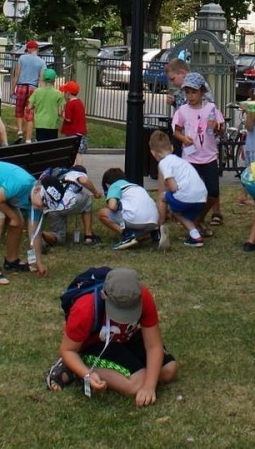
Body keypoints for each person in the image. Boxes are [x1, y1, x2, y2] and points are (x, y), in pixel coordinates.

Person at [48, 268, 179, 406]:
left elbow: (153, 345)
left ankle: (133, 371)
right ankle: (77, 368)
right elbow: (67, 350)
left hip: (127, 338)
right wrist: (87, 374)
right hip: (97, 343)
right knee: (136, 385)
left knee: (169, 370)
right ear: (104, 296)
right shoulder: (85, 309)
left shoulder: (143, 296)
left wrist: (149, 386)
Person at [171, 72, 225, 228]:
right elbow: (177, 130)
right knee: (192, 192)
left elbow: (220, 130)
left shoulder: (211, 108)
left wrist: (217, 128)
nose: (190, 96)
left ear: (202, 92)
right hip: (190, 158)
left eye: (194, 92)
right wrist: (183, 139)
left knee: (213, 191)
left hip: (209, 156)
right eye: (187, 92)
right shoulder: (182, 110)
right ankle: (189, 218)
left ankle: (200, 217)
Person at [150, 130, 207, 249]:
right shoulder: (181, 161)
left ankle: (158, 227)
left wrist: (168, 195)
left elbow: (173, 187)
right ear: (171, 148)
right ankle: (196, 236)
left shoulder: (164, 163)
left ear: (153, 153)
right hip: (201, 197)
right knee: (178, 212)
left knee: (164, 198)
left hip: (186, 197)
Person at [36, 165, 104, 246]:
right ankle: (88, 236)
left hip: (51, 208)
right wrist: (95, 192)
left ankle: (41, 235)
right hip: (67, 202)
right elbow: (84, 181)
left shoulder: (61, 175)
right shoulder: (76, 173)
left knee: (59, 237)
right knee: (87, 199)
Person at [100, 168, 161, 250]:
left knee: (102, 213)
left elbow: (112, 206)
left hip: (136, 219)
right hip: (154, 221)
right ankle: (153, 233)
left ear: (107, 184)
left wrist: (118, 205)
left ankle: (126, 235)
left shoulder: (114, 186)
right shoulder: (137, 186)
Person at [13, 40, 46, 142]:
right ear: (35, 49)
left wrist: (12, 88)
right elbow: (41, 79)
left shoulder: (22, 58)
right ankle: (28, 139)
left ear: (28, 49)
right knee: (30, 114)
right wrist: (42, 92)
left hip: (21, 86)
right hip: (33, 88)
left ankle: (19, 132)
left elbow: (17, 75)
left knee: (19, 110)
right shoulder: (42, 62)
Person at [30, 69, 65, 142]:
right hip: (52, 124)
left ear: (44, 79)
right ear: (54, 80)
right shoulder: (58, 93)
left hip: (40, 123)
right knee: (51, 146)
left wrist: (36, 106)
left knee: (41, 145)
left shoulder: (37, 91)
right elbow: (60, 111)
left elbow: (29, 107)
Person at [60, 79, 89, 153]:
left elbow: (68, 119)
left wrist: (63, 114)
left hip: (73, 133)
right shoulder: (79, 102)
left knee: (73, 153)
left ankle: (74, 165)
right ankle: (79, 165)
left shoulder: (70, 104)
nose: (64, 93)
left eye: (65, 92)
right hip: (81, 132)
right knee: (79, 154)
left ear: (68, 93)